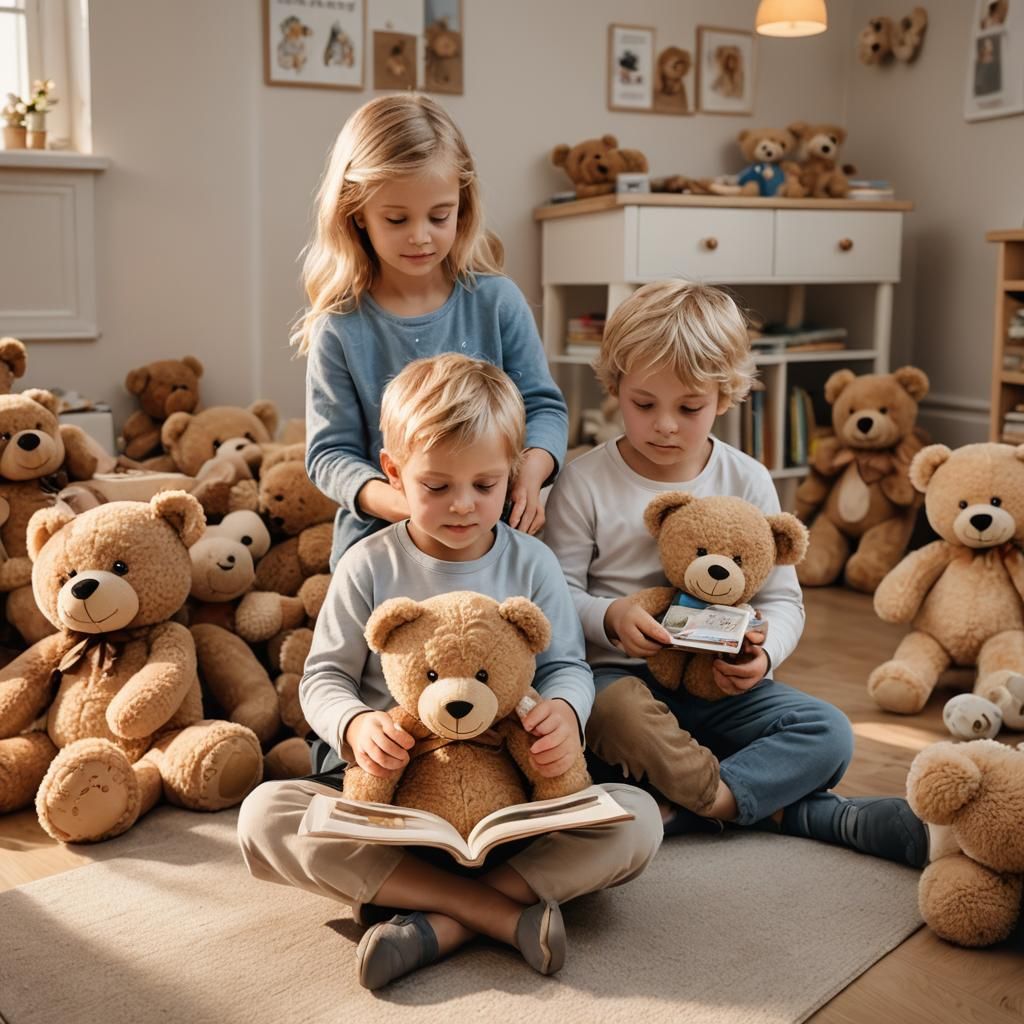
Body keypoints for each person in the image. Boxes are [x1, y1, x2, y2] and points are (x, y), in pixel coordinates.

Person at [237, 354, 661, 989]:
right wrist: (355, 728)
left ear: (514, 474)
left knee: (638, 819)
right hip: (392, 800)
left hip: (510, 798)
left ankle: (431, 918)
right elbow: (323, 678)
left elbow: (569, 665)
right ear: (394, 473)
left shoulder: (534, 563)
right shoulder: (367, 564)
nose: (463, 506)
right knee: (264, 815)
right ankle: (491, 912)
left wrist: (567, 713)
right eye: (436, 487)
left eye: (486, 486)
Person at [543, 280, 929, 867]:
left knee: (828, 731)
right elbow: (557, 595)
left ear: (724, 397)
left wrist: (764, 654)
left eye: (689, 407)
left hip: (716, 686)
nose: (666, 425)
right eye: (644, 404)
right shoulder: (585, 480)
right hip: (618, 682)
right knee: (608, 716)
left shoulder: (747, 478)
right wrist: (611, 617)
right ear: (614, 386)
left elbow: (783, 600)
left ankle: (690, 805)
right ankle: (779, 809)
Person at [291, 93, 568, 568]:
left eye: (440, 216)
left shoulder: (496, 301)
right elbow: (329, 455)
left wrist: (532, 474)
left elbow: (543, 406)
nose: (421, 235)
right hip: (382, 548)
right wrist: (416, 507)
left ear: (462, 205)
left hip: (492, 535)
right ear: (357, 213)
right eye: (397, 219)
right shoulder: (340, 326)